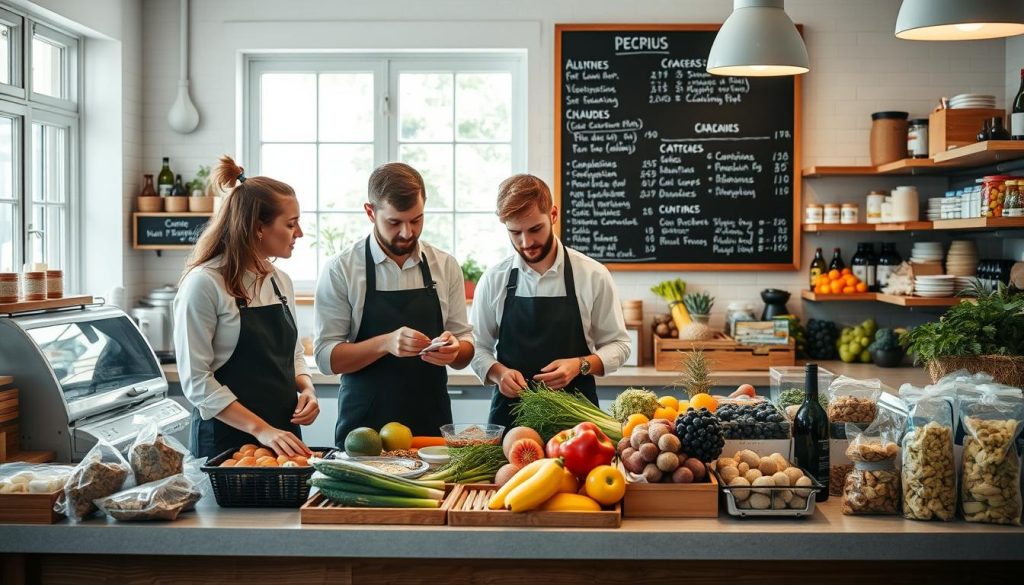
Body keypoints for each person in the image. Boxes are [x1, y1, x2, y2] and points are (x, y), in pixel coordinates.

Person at [314, 162, 473, 446]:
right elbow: (327, 358)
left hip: (430, 429)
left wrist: (456, 349)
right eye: (394, 222)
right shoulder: (342, 269)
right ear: (370, 212)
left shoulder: (445, 266)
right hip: (364, 433)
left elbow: (465, 347)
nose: (407, 233)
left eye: (416, 220)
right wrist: (386, 343)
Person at [174, 156, 318, 459]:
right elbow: (197, 382)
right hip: (225, 442)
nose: (300, 233)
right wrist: (261, 430)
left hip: (282, 437)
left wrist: (307, 389)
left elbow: (293, 355)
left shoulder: (281, 282)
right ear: (258, 228)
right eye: (291, 224)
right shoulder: (205, 284)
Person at [470, 174, 630, 429]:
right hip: (511, 420)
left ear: (553, 215)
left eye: (535, 229)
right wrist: (498, 374)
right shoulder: (494, 279)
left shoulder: (592, 274)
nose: (526, 243)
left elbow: (619, 345)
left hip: (578, 422)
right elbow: (477, 346)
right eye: (515, 233)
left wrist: (581, 365)